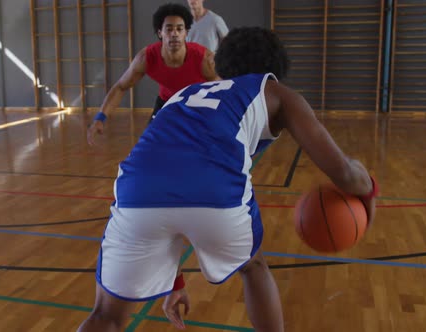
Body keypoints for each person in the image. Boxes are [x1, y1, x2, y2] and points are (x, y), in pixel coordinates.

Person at [78, 27, 378, 332]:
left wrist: (174, 280)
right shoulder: (274, 92)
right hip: (215, 192)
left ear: (223, 63)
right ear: (276, 67)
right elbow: (343, 172)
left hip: (135, 192)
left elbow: (163, 173)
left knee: (105, 315)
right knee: (253, 266)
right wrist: (369, 192)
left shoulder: (184, 94)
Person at [87, 3, 217, 145]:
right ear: (160, 32)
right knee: (149, 145)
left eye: (180, 29)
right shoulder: (146, 58)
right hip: (166, 103)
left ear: (186, 33)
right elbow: (121, 87)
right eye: (169, 29)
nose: (174, 34)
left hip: (197, 103)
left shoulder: (204, 59)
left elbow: (223, 90)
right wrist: (100, 118)